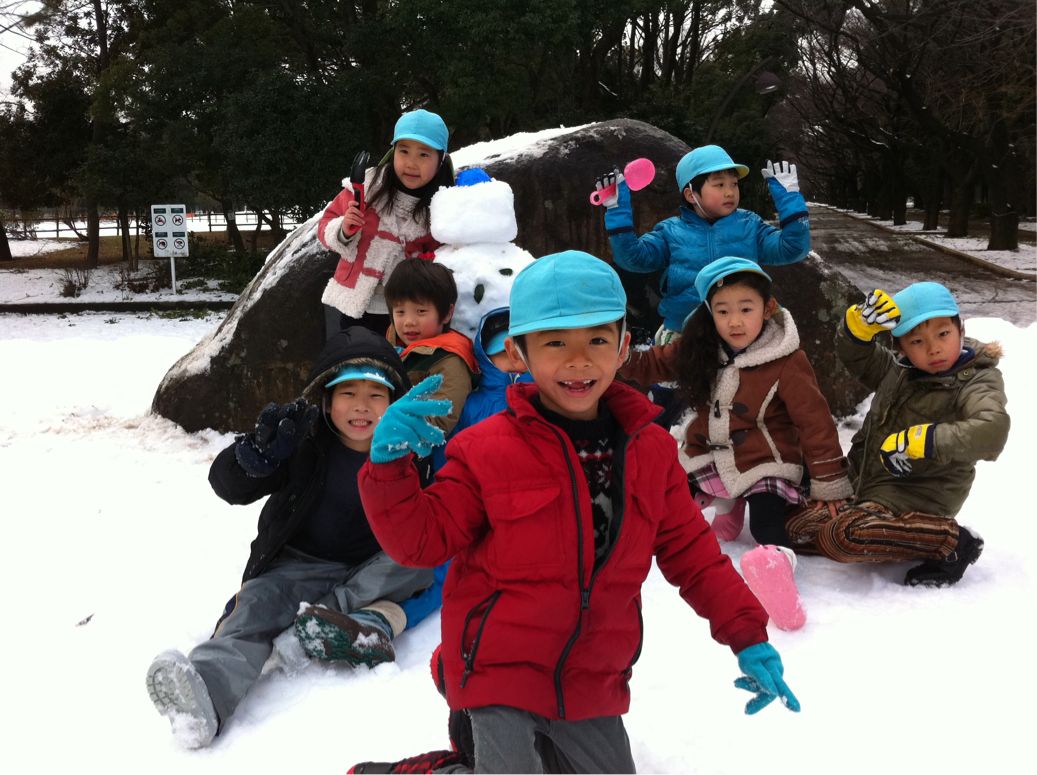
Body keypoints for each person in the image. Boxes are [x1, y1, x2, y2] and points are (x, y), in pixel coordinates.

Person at [352, 251, 800, 773]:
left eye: (597, 341)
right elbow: (422, 543)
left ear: (624, 347)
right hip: (497, 662)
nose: (579, 361)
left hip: (591, 673)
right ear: (518, 351)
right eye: (555, 342)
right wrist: (389, 469)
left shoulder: (651, 451)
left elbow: (693, 555)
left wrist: (747, 634)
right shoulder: (484, 449)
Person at [145, 327, 434, 749]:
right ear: (326, 400)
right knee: (254, 607)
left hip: (370, 569)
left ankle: (322, 617)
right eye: (347, 393)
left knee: (419, 556)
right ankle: (206, 695)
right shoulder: (302, 442)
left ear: (394, 402)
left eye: (376, 394)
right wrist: (255, 458)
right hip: (299, 565)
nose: (361, 406)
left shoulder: (411, 450)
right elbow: (227, 485)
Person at [784, 281, 1010, 587]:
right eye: (917, 341)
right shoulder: (900, 371)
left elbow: (992, 429)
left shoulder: (977, 380)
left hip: (919, 497)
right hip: (864, 486)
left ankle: (951, 541)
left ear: (960, 328)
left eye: (943, 334)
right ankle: (868, 527)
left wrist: (925, 440)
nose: (933, 348)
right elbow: (858, 356)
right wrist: (857, 328)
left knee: (842, 537)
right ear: (901, 347)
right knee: (791, 529)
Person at [595, 144, 810, 343]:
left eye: (734, 184)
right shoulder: (670, 231)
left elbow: (792, 249)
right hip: (685, 334)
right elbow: (632, 258)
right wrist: (617, 210)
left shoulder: (750, 225)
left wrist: (790, 199)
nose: (730, 192)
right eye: (719, 184)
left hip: (742, 334)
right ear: (691, 195)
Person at [318, 109, 454, 338]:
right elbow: (325, 226)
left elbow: (444, 253)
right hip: (355, 304)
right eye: (404, 151)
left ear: (440, 160)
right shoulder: (367, 188)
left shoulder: (442, 205)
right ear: (393, 152)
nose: (411, 163)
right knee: (359, 356)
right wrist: (344, 230)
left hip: (408, 311)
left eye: (423, 154)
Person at [384, 257, 477, 440]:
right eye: (400, 312)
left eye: (421, 311)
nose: (409, 322)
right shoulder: (390, 346)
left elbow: (439, 419)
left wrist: (386, 427)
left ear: (447, 313)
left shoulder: (449, 360)